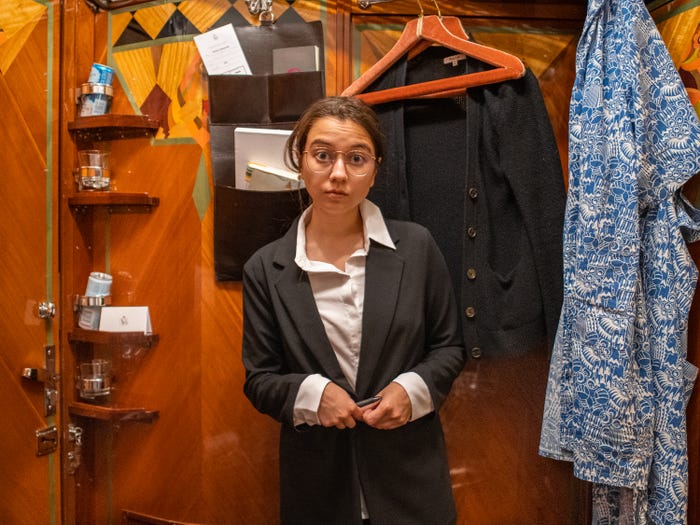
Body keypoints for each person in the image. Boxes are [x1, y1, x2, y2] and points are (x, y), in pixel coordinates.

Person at [241, 96, 466, 525]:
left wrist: (412, 390)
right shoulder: (265, 269)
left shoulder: (416, 247)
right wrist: (313, 395)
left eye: (356, 158)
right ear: (300, 160)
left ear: (376, 168)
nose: (338, 174)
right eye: (322, 156)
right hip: (317, 489)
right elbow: (260, 379)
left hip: (412, 481)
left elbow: (449, 347)